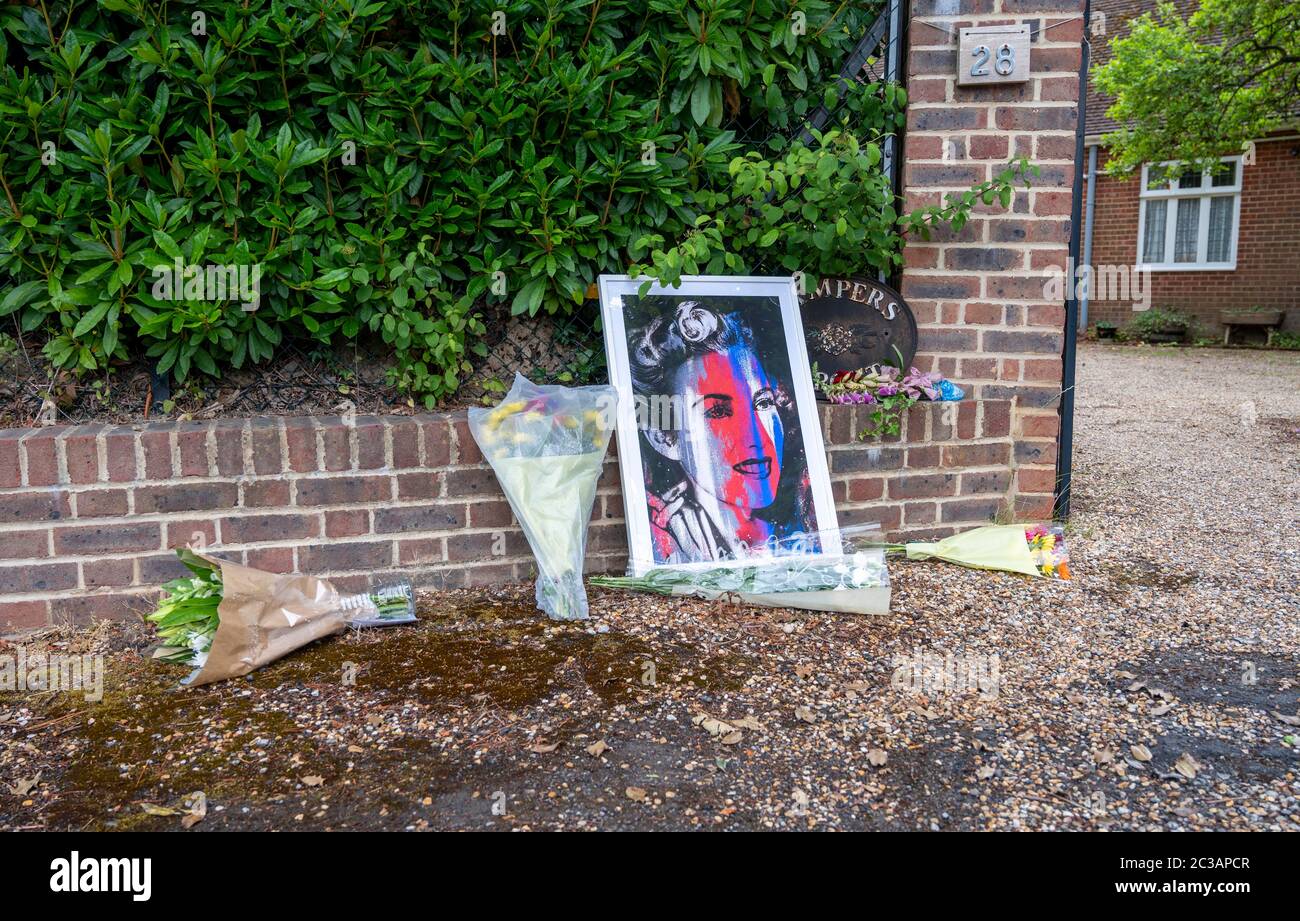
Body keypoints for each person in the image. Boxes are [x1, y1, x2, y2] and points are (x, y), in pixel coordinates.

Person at [629, 299, 817, 564]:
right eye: (716, 412)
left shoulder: (808, 513)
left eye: (763, 403)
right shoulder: (667, 546)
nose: (756, 437)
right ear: (664, 437)